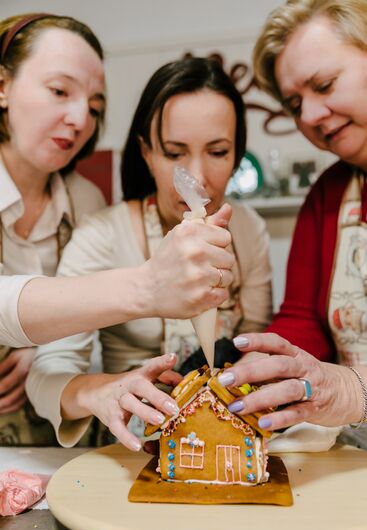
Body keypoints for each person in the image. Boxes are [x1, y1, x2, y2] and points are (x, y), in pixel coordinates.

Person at [0, 15, 234, 445]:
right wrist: (147, 286)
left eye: (94, 107)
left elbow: (66, 332)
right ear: (3, 86)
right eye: (58, 91)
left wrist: (37, 347)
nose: (79, 119)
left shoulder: (84, 199)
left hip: (41, 439)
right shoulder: (105, 228)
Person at [27, 57, 273, 451]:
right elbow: (43, 379)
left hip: (228, 438)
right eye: (175, 154)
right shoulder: (103, 235)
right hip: (131, 449)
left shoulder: (250, 230)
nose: (198, 178)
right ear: (146, 153)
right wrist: (102, 391)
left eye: (218, 152)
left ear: (237, 155)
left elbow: (258, 345)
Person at [218, 0, 367, 433]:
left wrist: (350, 391)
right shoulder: (329, 196)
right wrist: (262, 365)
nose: (310, 116)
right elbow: (304, 321)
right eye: (293, 104)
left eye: (324, 85)